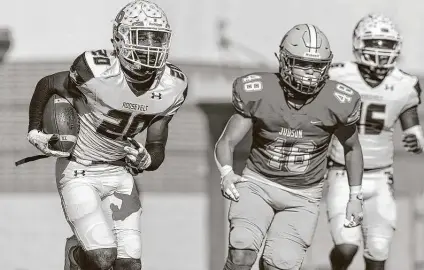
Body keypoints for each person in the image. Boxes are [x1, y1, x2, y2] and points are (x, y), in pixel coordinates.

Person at [25, 1, 188, 269]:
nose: (150, 45)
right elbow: (48, 83)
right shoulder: (96, 70)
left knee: (130, 263)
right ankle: (77, 256)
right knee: (102, 257)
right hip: (80, 169)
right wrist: (34, 130)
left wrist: (146, 160)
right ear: (122, 37)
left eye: (156, 37)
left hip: (120, 173)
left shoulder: (173, 84)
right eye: (142, 36)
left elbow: (157, 144)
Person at [214, 23, 364, 270]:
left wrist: (355, 196)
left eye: (316, 66)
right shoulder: (260, 91)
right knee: (241, 251)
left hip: (303, 196)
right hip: (258, 184)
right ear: (283, 61)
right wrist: (227, 173)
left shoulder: (338, 101)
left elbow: (353, 148)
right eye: (302, 63)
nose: (309, 72)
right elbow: (227, 140)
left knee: (280, 263)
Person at [326, 13, 423, 270]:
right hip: (342, 172)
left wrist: (415, 134)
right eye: (374, 43)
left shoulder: (404, 84)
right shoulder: (338, 75)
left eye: (386, 44)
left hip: (381, 175)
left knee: (378, 250)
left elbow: (408, 116)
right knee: (347, 247)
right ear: (359, 43)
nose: (380, 50)